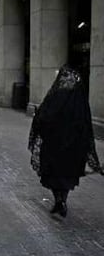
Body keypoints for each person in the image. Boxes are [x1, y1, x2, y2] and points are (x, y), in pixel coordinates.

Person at [28, 64, 103, 218]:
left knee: (53, 174)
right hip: (74, 146)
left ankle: (59, 200)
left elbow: (42, 118)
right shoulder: (79, 100)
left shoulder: (54, 96)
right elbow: (86, 124)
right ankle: (63, 199)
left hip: (53, 145)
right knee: (67, 175)